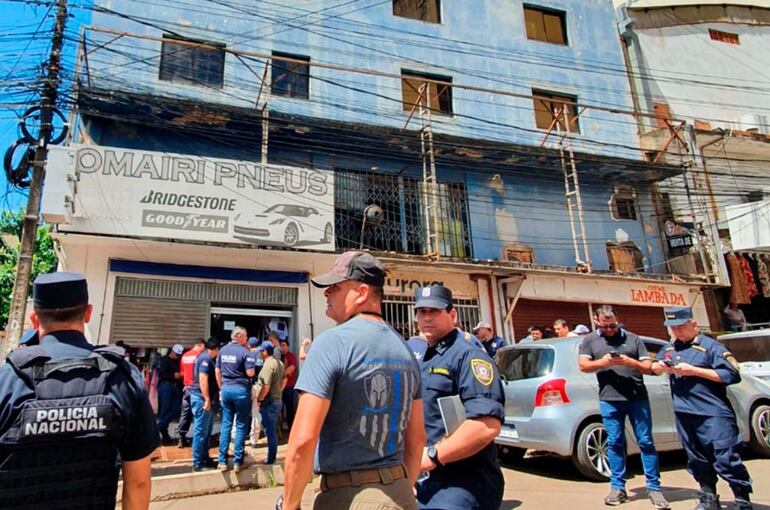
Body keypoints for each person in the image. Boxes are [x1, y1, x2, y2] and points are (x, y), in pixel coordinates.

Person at [0, 272, 159, 509]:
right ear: (88, 313)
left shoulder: (7, 380)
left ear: (34, 318)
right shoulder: (123, 378)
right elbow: (138, 482)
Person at [282, 251, 424, 510]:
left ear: (361, 292)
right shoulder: (405, 350)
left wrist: (290, 505)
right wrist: (401, 488)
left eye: (335, 287)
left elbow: (302, 442)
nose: (326, 293)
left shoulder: (331, 343)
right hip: (401, 493)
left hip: (348, 497)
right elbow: (416, 441)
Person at [651, 307, 753, 510]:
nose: (677, 331)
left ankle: (742, 500)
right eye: (673, 328)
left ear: (693, 324)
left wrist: (695, 371)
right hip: (685, 413)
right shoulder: (670, 349)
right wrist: (658, 367)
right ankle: (708, 498)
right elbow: (654, 366)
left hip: (713, 413)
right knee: (697, 459)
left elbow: (731, 374)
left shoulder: (711, 347)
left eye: (681, 326)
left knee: (726, 457)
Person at [414, 284, 506, 510]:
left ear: (452, 315)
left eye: (434, 311)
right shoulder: (425, 357)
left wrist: (432, 456)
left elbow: (487, 425)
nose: (427, 318)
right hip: (429, 481)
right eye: (421, 312)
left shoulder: (469, 356)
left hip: (464, 483)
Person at [578, 305, 669, 509]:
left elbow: (648, 367)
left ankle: (654, 488)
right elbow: (583, 365)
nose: (609, 330)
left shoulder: (633, 339)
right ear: (596, 321)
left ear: (618, 320)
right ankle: (617, 487)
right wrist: (603, 362)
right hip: (609, 400)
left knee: (646, 442)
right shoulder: (590, 340)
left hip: (637, 398)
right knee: (615, 442)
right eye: (604, 326)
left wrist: (629, 361)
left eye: (613, 326)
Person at [215, 326, 256, 472]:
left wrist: (221, 388)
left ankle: (222, 461)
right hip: (241, 391)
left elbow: (217, 370)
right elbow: (250, 373)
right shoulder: (245, 352)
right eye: (245, 336)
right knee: (240, 425)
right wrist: (251, 358)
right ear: (239, 337)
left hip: (226, 389)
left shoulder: (223, 350)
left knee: (226, 424)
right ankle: (238, 462)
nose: (247, 338)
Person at [191, 337, 220, 472]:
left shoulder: (206, 358)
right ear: (215, 349)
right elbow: (203, 379)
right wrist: (207, 399)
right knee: (201, 432)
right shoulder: (205, 359)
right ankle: (197, 463)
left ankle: (204, 459)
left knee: (206, 432)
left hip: (203, 398)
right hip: (201, 399)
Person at [255, 340, 285, 465]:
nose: (260, 353)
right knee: (272, 430)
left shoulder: (268, 365)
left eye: (261, 351)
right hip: (277, 400)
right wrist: (278, 391)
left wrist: (259, 399)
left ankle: (271, 459)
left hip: (269, 402)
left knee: (270, 432)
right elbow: (284, 380)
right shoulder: (280, 363)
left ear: (265, 352)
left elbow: (266, 386)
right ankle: (271, 456)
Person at [178, 337, 205, 448]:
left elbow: (182, 373)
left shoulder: (185, 356)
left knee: (185, 413)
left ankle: (181, 438)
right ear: (201, 345)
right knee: (199, 414)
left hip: (186, 388)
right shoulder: (200, 356)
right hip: (196, 389)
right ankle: (199, 443)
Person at [157, 342, 184, 445]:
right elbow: (161, 374)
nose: (177, 356)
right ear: (172, 351)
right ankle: (164, 435)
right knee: (165, 410)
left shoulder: (179, 361)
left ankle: (160, 426)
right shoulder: (164, 360)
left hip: (175, 387)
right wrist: (173, 376)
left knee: (176, 409)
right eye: (176, 354)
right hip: (166, 386)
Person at [279, 338, 298, 430]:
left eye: (284, 345)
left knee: (290, 408)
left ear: (288, 346)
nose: (282, 348)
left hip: (289, 387)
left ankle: (291, 428)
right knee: (279, 409)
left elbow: (291, 368)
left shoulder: (291, 356)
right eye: (281, 346)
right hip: (278, 387)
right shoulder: (278, 356)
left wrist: (279, 374)